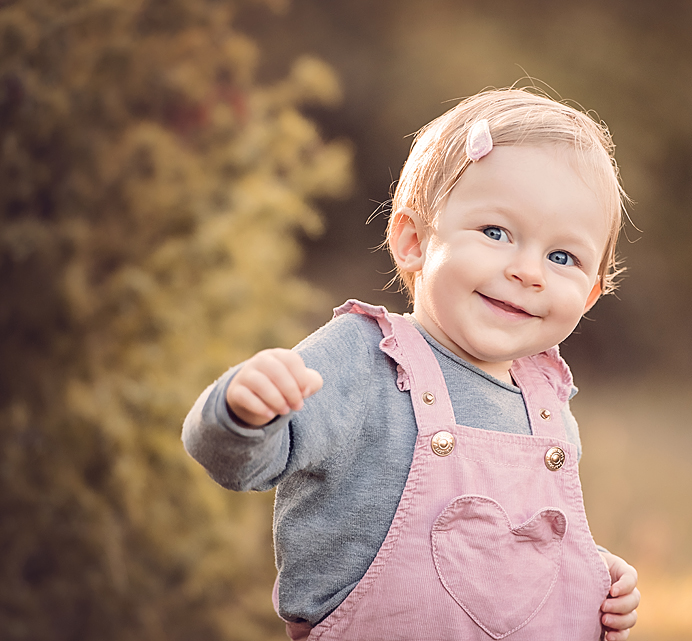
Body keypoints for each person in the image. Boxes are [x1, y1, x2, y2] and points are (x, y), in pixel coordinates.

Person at [183, 87, 640, 640]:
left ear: (590, 294)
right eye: (496, 233)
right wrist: (240, 412)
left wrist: (588, 575)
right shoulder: (364, 358)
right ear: (414, 241)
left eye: (561, 257)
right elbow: (235, 463)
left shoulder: (548, 403)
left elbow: (495, 555)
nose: (528, 271)